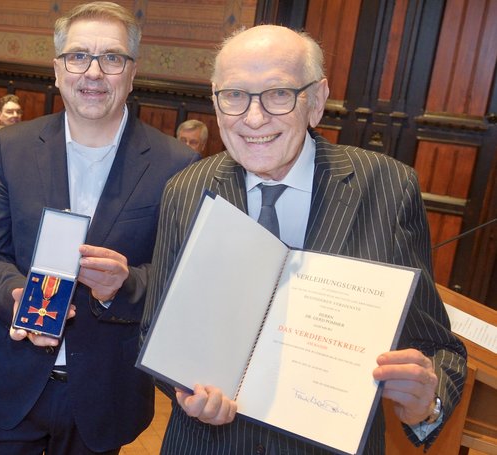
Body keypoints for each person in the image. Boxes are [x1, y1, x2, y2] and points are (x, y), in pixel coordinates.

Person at [142, 25, 467, 454]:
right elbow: (158, 328)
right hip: (207, 443)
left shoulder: (386, 187)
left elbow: (437, 346)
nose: (254, 118)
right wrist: (185, 389)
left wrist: (427, 403)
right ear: (216, 103)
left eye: (278, 94)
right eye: (235, 95)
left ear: (315, 101)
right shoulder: (185, 190)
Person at [0, 2, 198, 453]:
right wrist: (15, 295)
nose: (93, 72)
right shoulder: (10, 149)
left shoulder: (176, 164)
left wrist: (125, 283)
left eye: (112, 58)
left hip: (104, 394)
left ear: (132, 73)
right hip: (12, 387)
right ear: (57, 70)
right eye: (78, 56)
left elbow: (182, 276)